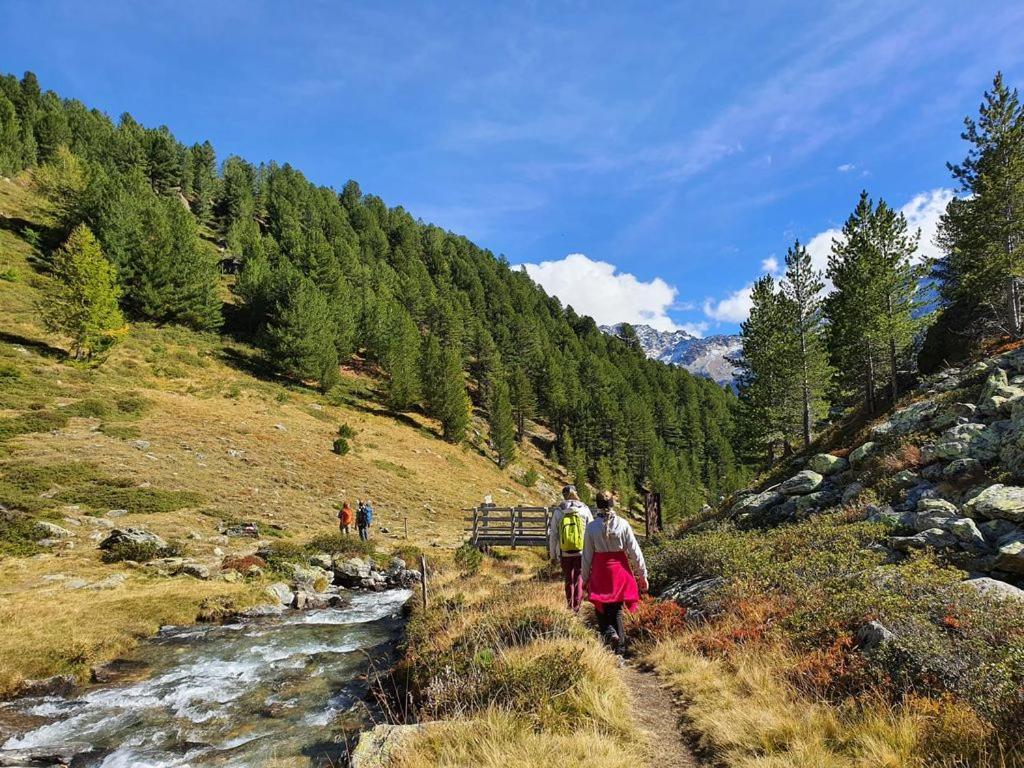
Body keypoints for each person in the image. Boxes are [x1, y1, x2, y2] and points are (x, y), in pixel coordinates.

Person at [582, 490, 648, 655]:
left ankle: (610, 634)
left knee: (601, 606)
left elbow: (587, 555)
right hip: (619, 570)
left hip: (600, 570)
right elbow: (635, 551)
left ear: (597, 505)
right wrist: (642, 575)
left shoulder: (591, 528)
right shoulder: (623, 524)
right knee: (617, 608)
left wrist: (584, 578)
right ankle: (621, 647)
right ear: (612, 504)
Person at [548, 484, 593, 613]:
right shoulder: (584, 509)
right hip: (581, 551)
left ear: (564, 496)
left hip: (564, 551)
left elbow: (554, 535)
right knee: (579, 577)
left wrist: (553, 555)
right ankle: (577, 607)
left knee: (568, 578)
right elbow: (591, 531)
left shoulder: (559, 511)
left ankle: (569, 605)